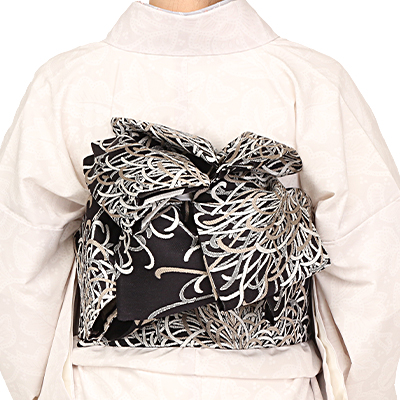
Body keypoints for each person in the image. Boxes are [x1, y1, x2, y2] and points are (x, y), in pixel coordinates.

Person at [0, 0, 399, 399]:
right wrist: (364, 390)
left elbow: (18, 257)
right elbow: (373, 256)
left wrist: (36, 391)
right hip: (276, 384)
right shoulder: (312, 81)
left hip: (105, 384)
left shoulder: (68, 83)